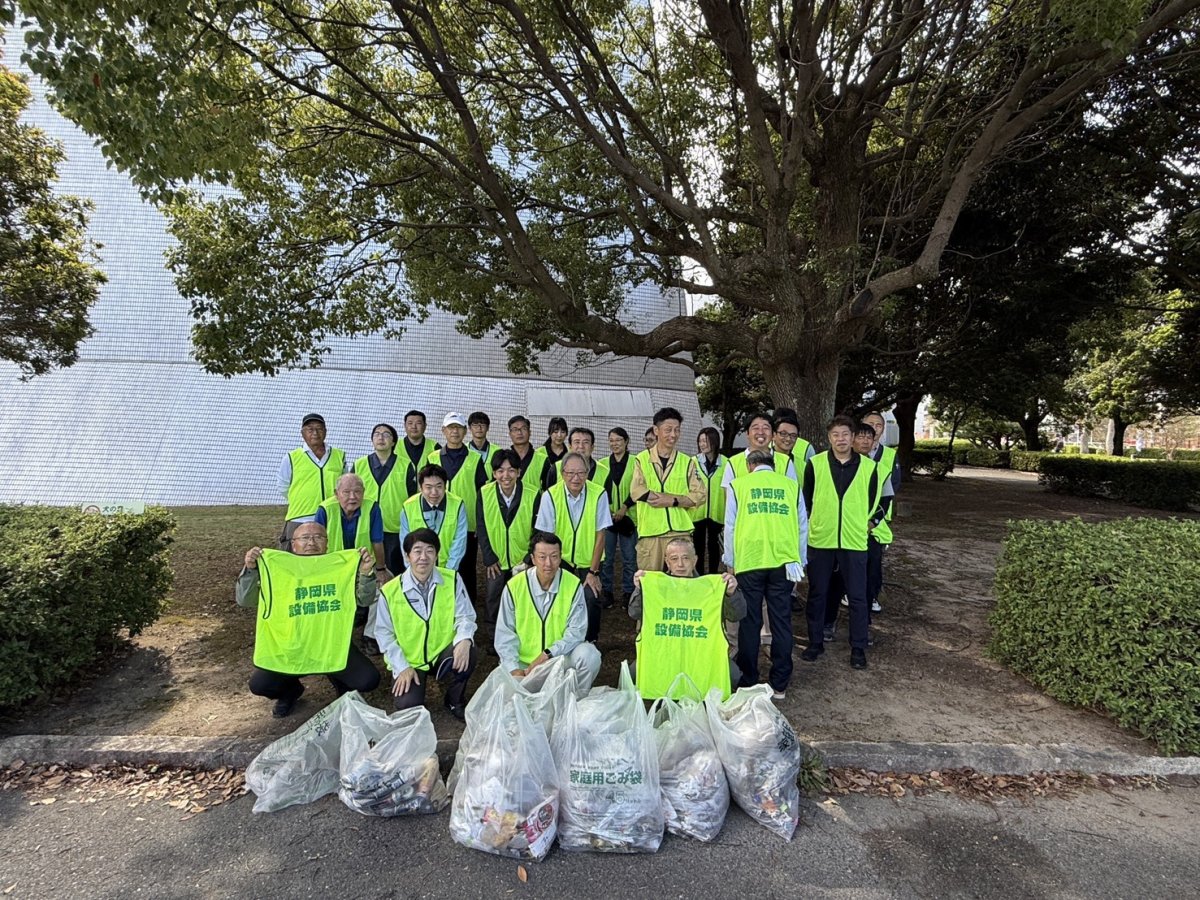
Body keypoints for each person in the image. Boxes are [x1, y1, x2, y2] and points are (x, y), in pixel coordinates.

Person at [236, 522, 380, 717]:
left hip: (331, 645)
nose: (311, 542)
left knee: (368, 680)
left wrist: (365, 572)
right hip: (289, 648)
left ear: (327, 544)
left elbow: (365, 599)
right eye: (305, 538)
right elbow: (246, 600)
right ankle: (290, 692)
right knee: (260, 685)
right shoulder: (278, 570)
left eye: (318, 537)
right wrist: (251, 569)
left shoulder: (338, 568)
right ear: (293, 544)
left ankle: (343, 690)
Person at [724, 449, 807, 699]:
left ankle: (749, 679)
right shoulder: (791, 486)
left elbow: (730, 526)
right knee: (781, 620)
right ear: (773, 465)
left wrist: (730, 561)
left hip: (750, 561)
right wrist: (799, 563)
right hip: (783, 562)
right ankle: (780, 682)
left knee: (750, 623)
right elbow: (803, 524)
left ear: (750, 466)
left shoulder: (739, 485)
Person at [374, 528, 477, 720]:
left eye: (430, 550)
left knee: (469, 651)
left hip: (442, 654)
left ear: (437, 555)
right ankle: (413, 685)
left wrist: (463, 640)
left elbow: (465, 616)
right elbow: (384, 634)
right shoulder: (390, 591)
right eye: (417, 551)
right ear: (407, 556)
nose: (423, 557)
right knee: (407, 705)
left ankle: (454, 699)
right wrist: (402, 666)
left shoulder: (452, 579)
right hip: (411, 661)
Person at [803, 416, 880, 670]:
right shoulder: (815, 464)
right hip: (821, 540)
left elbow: (874, 500)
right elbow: (807, 501)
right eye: (835, 434)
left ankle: (858, 646)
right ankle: (815, 642)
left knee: (858, 597)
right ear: (829, 438)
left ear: (853, 437)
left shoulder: (869, 467)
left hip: (854, 540)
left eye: (845, 434)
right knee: (818, 594)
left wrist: (863, 525)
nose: (841, 439)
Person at [627, 537, 745, 697]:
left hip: (701, 655)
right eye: (674, 559)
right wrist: (641, 590)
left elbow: (738, 614)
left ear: (695, 560)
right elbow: (634, 613)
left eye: (686, 558)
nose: (680, 564)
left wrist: (731, 593)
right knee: (634, 672)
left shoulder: (710, 589)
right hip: (664, 654)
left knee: (733, 675)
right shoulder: (657, 588)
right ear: (667, 562)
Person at [495, 532, 602, 692]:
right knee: (508, 700)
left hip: (559, 659)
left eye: (554, 556)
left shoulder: (572, 584)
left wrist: (548, 654)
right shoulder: (514, 586)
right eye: (542, 557)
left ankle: (575, 698)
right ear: (532, 559)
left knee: (590, 655)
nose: (549, 563)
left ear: (560, 557)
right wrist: (513, 667)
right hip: (525, 664)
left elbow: (576, 632)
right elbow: (505, 633)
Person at [535, 451, 612, 640]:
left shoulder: (599, 493)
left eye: (581, 473)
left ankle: (590, 639)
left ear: (587, 473)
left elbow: (601, 535)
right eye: (570, 473)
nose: (576, 478)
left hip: (589, 561)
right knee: (560, 598)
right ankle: (560, 638)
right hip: (561, 560)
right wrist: (551, 565)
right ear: (562, 474)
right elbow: (546, 537)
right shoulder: (550, 496)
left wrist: (593, 573)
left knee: (590, 597)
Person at [631, 407, 706, 573]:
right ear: (656, 430)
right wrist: (659, 498)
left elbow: (700, 495)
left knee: (682, 584)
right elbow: (636, 491)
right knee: (651, 584)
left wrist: (672, 500)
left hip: (680, 533)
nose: (673, 435)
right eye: (668, 430)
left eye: (677, 430)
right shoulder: (641, 459)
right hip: (651, 535)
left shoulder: (687, 462)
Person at [476, 449, 538, 649]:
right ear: (494, 473)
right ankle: (494, 638)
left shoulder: (533, 493)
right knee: (494, 596)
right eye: (500, 471)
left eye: (511, 470)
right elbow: (482, 526)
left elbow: (539, 529)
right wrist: (488, 557)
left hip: (522, 559)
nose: (506, 476)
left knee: (521, 598)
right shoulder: (484, 493)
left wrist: (529, 558)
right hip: (496, 559)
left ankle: (520, 637)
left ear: (519, 472)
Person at [429, 412, 489, 602]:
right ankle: (441, 602)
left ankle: (466, 605)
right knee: (438, 562)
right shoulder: (432, 457)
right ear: (443, 431)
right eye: (450, 427)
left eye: (458, 428)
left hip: (468, 524)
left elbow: (482, 494)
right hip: (436, 522)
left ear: (465, 431)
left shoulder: (474, 458)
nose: (454, 431)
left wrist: (480, 524)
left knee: (467, 567)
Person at [277, 412, 347, 550]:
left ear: (325, 431)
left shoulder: (339, 455)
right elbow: (283, 487)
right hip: (300, 517)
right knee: (296, 559)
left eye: (319, 428)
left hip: (332, 516)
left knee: (330, 556)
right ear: (302, 433)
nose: (315, 433)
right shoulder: (291, 457)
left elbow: (344, 483)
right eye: (310, 429)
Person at [354, 423, 406, 575]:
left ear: (394, 441)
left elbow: (412, 497)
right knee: (366, 571)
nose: (381, 437)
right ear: (372, 440)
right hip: (365, 526)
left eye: (386, 434)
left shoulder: (406, 465)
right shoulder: (359, 465)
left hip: (394, 528)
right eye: (377, 434)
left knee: (395, 571)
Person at [863, 411, 899, 616]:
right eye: (870, 424)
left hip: (879, 519)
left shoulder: (889, 455)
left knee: (875, 561)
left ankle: (873, 594)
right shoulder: (852, 452)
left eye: (879, 425)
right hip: (853, 518)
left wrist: (875, 515)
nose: (874, 428)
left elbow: (894, 484)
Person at [399, 464, 468, 571]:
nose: (434, 492)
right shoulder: (408, 506)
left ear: (445, 486)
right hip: (418, 569)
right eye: (428, 487)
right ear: (420, 487)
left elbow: (460, 540)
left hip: (449, 567)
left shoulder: (458, 504)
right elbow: (404, 542)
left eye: (439, 486)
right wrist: (414, 571)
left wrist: (449, 570)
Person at [600, 427, 637, 607]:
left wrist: (625, 507)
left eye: (618, 440)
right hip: (608, 518)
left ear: (626, 441)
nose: (614, 444)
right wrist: (608, 510)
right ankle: (607, 592)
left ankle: (628, 592)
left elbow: (639, 488)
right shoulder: (603, 464)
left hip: (629, 517)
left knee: (629, 557)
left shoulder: (637, 462)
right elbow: (599, 490)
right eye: (611, 440)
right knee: (606, 558)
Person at [722, 413, 795, 489]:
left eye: (766, 428)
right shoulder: (733, 462)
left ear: (773, 435)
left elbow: (792, 491)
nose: (760, 432)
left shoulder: (785, 461)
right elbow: (728, 495)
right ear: (747, 433)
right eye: (756, 428)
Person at [691, 426, 727, 575]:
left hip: (717, 512)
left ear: (715, 441)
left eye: (705, 441)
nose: (702, 444)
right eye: (700, 441)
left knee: (714, 547)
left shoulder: (726, 463)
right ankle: (698, 576)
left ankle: (713, 575)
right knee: (697, 547)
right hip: (697, 513)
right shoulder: (692, 462)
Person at [400, 410, 437, 498]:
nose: (414, 426)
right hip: (401, 500)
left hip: (428, 499)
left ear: (425, 426)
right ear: (404, 426)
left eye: (418, 423)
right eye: (410, 423)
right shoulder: (394, 448)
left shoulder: (435, 447)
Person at [526, 416, 568, 494]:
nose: (559, 435)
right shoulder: (539, 453)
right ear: (550, 433)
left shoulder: (570, 454)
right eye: (555, 432)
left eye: (562, 431)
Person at [467, 411, 497, 477]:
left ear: (488, 428)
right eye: (475, 425)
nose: (479, 428)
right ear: (469, 428)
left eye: (483, 425)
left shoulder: (497, 450)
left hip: (490, 487)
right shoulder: (463, 449)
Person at [507, 415, 537, 480]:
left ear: (530, 432)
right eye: (515, 429)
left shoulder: (543, 459)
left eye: (523, 429)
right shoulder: (504, 459)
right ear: (510, 434)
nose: (519, 432)